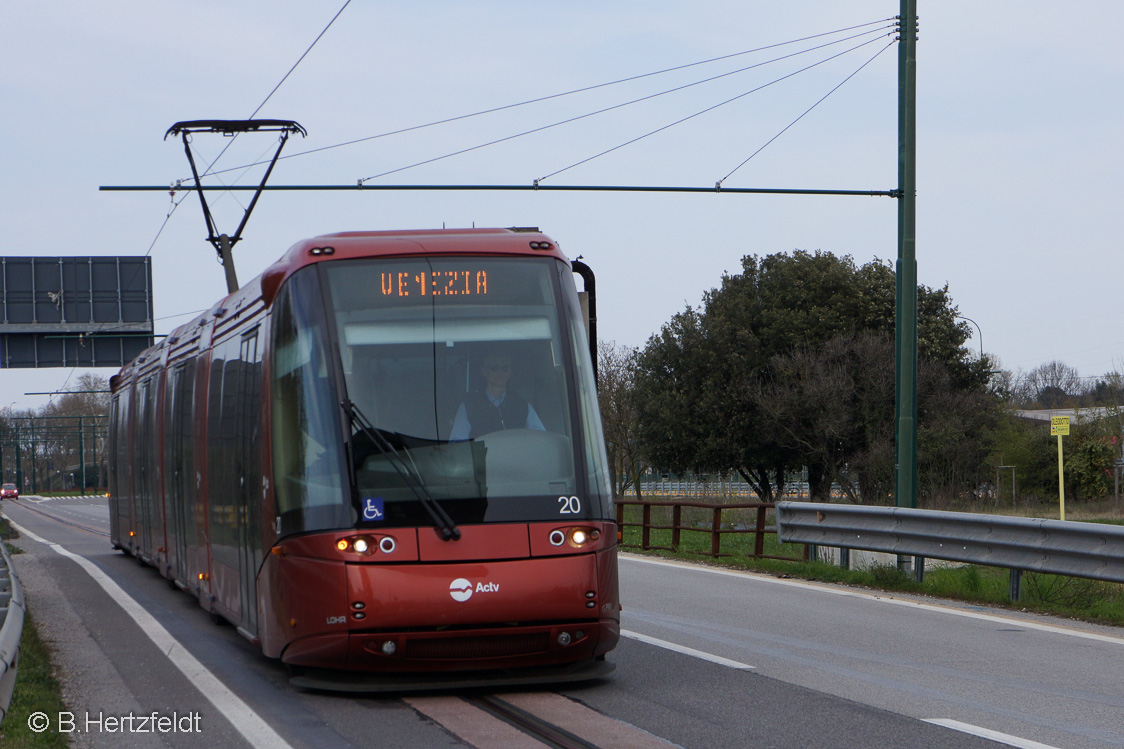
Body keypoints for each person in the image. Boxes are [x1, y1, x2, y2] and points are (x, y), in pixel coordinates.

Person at [449, 352, 545, 440]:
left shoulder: (522, 405)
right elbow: (458, 443)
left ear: (510, 372)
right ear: (484, 371)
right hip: (483, 459)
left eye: (505, 368)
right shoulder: (468, 406)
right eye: (494, 367)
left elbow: (540, 439)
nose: (500, 372)